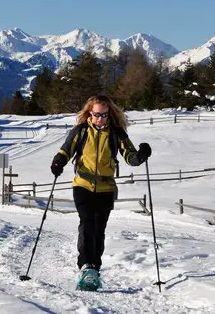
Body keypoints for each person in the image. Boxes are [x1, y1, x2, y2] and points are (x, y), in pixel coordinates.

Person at [50, 94, 152, 290]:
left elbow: (130, 157)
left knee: (99, 228)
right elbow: (65, 151)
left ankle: (94, 268)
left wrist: (141, 155)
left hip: (106, 188)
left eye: (104, 115)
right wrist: (57, 162)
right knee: (87, 223)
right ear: (90, 112)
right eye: (97, 114)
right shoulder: (80, 131)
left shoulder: (117, 133)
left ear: (109, 114)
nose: (100, 119)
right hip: (83, 185)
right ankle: (86, 265)